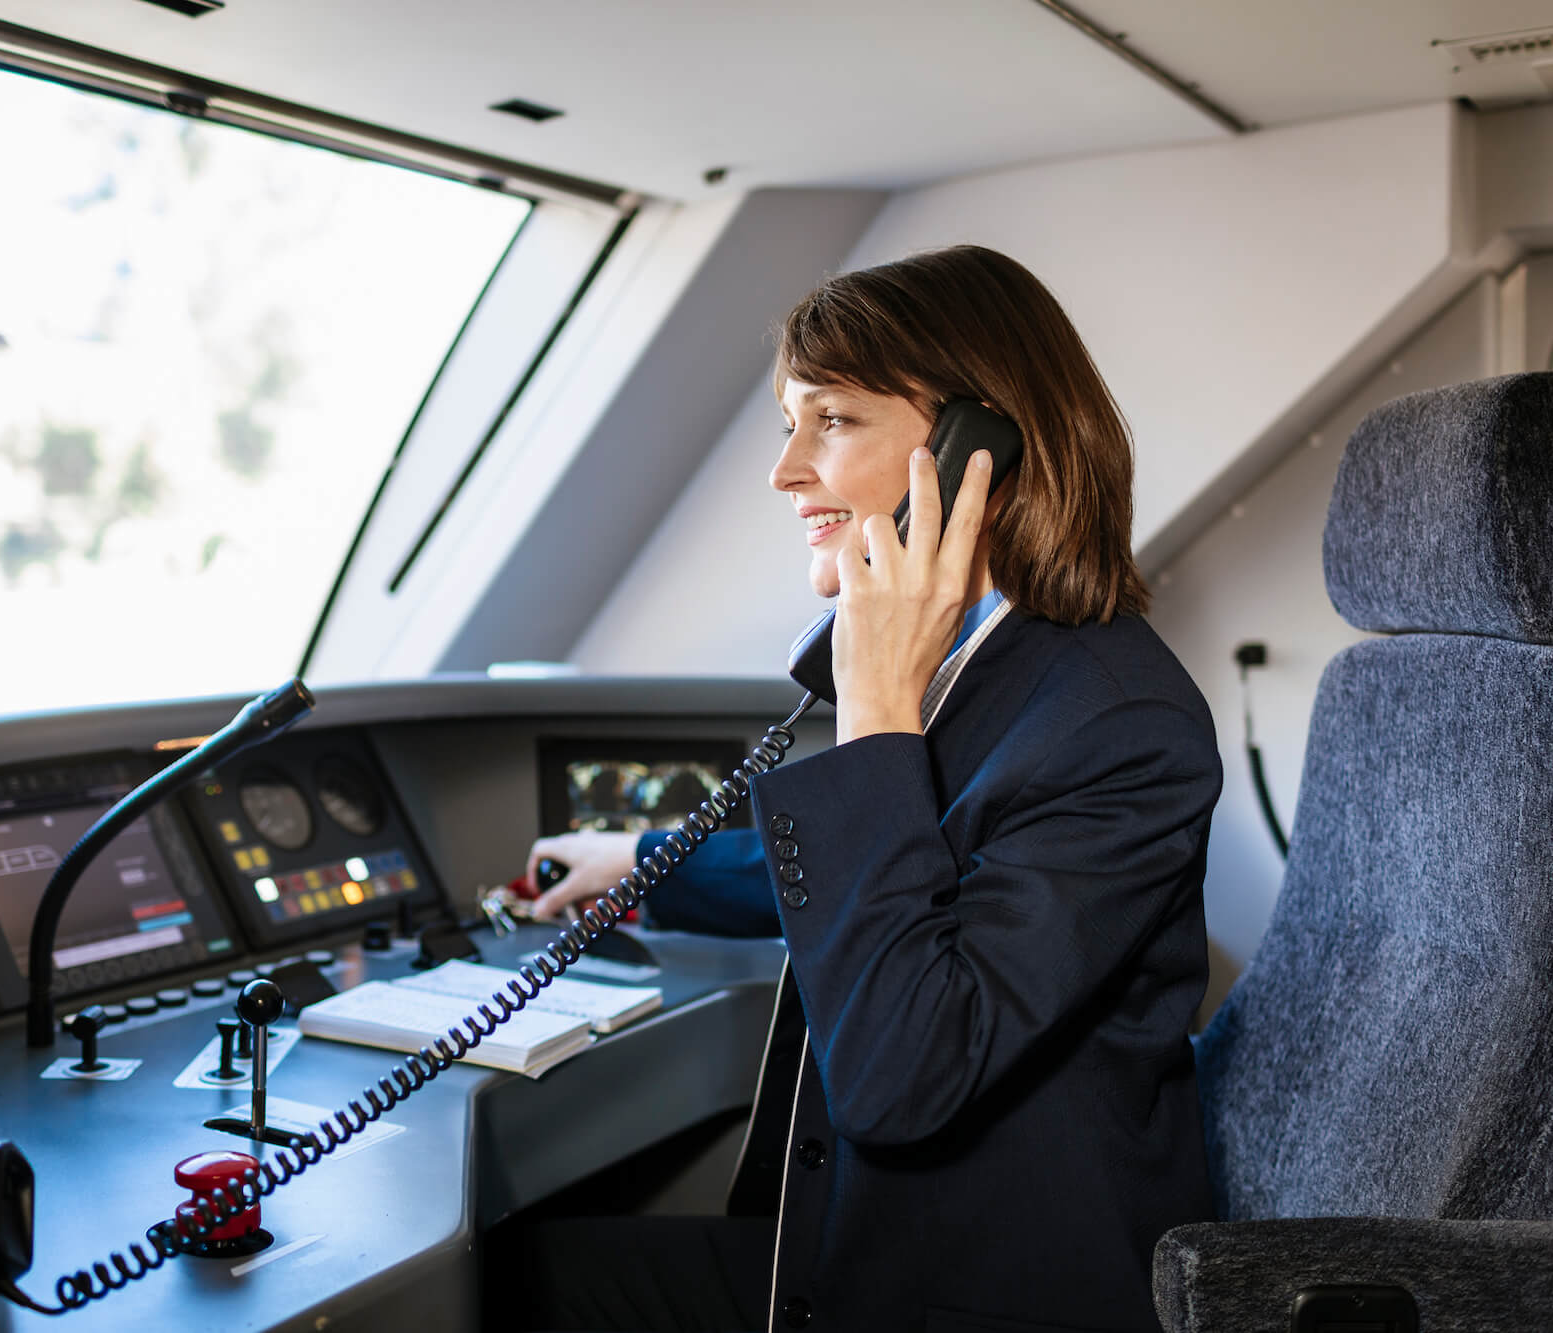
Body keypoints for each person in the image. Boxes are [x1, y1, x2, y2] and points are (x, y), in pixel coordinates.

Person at [501, 246, 1220, 1333]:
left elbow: (904, 1070)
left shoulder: (1118, 725)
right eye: (791, 423)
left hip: (983, 1292)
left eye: (830, 420)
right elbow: (924, 870)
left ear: (983, 448)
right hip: (855, 1243)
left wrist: (874, 704)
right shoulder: (989, 669)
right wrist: (644, 866)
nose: (786, 470)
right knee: (522, 1272)